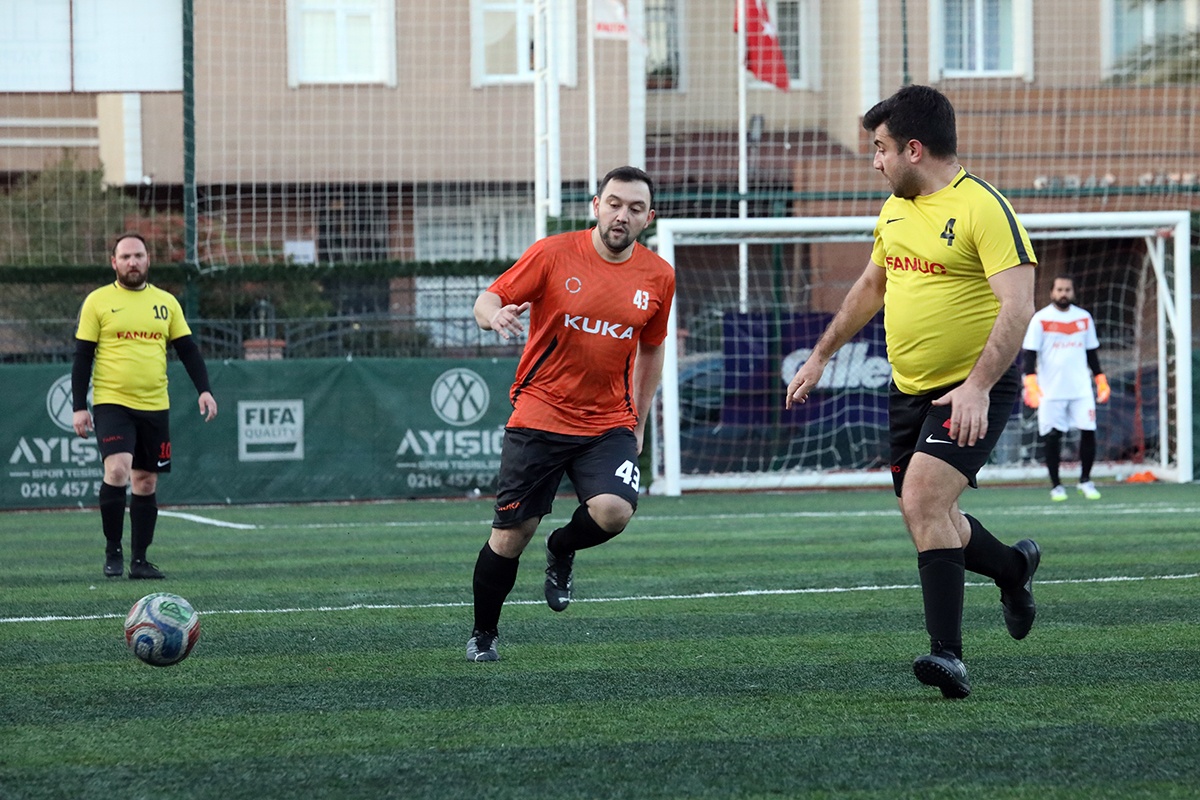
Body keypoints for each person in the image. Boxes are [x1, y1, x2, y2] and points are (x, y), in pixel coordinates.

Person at [785, 85, 1041, 699]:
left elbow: (1018, 306)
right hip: (908, 391)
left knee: (924, 501)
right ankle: (1013, 568)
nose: (876, 161)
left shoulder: (984, 209)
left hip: (972, 388)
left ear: (914, 149)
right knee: (930, 515)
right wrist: (820, 356)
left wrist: (978, 386)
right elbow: (872, 286)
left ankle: (948, 656)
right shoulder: (895, 209)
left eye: (881, 148)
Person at [465, 166, 675, 662]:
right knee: (511, 536)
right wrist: (494, 315)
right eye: (614, 203)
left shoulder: (659, 276)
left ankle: (562, 547)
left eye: (635, 208)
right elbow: (488, 299)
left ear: (648, 218)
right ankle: (484, 633)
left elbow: (652, 349)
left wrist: (639, 420)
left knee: (615, 511)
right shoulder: (553, 253)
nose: (622, 215)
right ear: (596, 205)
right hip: (540, 415)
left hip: (608, 422)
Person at [72, 232, 218, 580]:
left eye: (138, 255)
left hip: (155, 404)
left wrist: (204, 390)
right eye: (125, 257)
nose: (132, 262)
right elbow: (82, 356)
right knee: (117, 471)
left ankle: (140, 560)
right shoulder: (98, 301)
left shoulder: (166, 303)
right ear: (114, 263)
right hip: (112, 403)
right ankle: (113, 551)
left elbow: (188, 350)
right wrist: (79, 406)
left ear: (148, 260)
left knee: (146, 481)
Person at [1021, 276, 1109, 501]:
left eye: (1067, 289)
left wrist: (1100, 379)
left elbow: (1091, 352)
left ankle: (1085, 481)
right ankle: (1056, 485)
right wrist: (1030, 383)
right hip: (1050, 391)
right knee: (1053, 436)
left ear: (1073, 292)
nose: (1063, 293)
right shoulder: (1040, 319)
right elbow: (1030, 353)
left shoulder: (1084, 318)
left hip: (1081, 389)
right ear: (1052, 292)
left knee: (1088, 431)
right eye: (1059, 289)